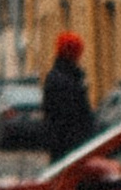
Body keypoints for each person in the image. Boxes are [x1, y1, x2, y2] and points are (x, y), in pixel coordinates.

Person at [41, 32, 97, 160]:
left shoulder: (61, 76)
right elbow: (70, 115)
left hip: (64, 144)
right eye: (77, 52)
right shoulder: (65, 79)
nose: (79, 56)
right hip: (69, 146)